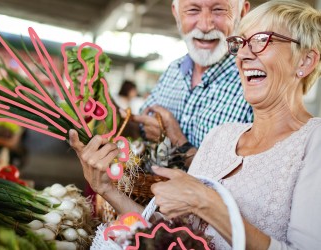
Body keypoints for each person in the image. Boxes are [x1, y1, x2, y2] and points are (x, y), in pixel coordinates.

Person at [69, 0, 321, 249]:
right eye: (241, 43)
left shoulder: (314, 141)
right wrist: (106, 189)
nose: (243, 54)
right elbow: (171, 233)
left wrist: (207, 203)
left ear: (305, 61)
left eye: (262, 40)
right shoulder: (220, 136)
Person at [128, 0, 253, 167]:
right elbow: (139, 131)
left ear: (242, 12)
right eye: (193, 10)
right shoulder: (174, 69)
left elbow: (243, 179)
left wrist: (175, 139)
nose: (205, 26)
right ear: (176, 13)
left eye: (219, 10)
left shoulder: (253, 82)